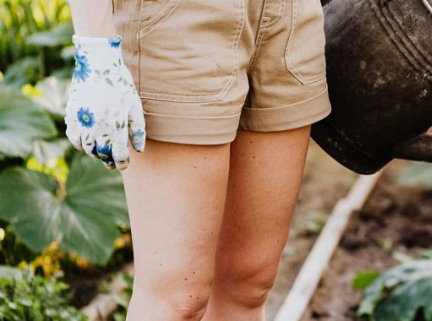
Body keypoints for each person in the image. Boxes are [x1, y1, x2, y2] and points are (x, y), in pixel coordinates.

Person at [63, 0, 331, 320]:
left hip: (291, 14)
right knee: (177, 300)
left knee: (249, 282)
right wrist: (95, 46)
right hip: (178, 20)